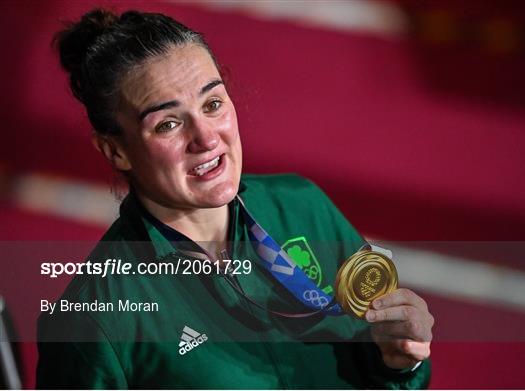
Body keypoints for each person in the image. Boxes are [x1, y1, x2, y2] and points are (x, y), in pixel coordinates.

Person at [36, 9, 434, 389]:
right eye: (168, 124)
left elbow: (385, 375)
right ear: (115, 151)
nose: (207, 138)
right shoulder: (95, 316)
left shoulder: (301, 205)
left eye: (212, 104)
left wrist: (400, 360)